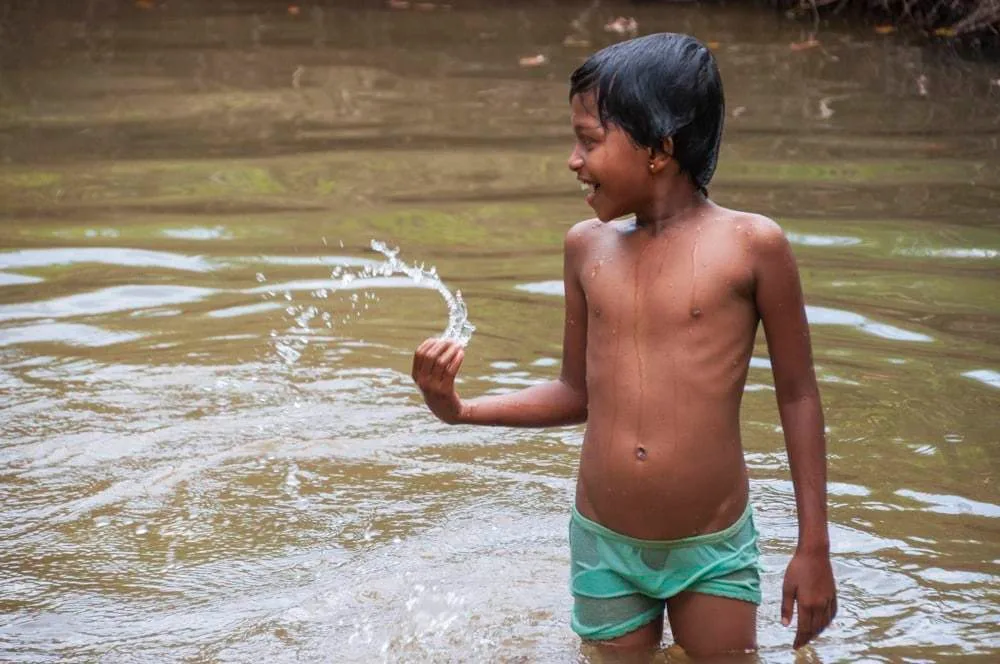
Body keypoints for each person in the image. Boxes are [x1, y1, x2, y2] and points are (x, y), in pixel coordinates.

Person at [411, 32, 836, 659]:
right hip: (604, 541)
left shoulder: (751, 246)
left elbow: (798, 396)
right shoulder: (586, 247)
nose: (573, 160)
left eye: (589, 140)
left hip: (710, 546)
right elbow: (575, 393)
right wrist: (460, 409)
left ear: (660, 148)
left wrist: (814, 546)